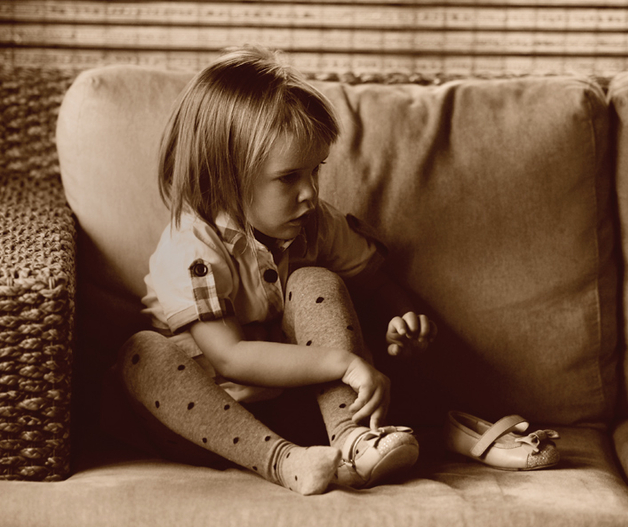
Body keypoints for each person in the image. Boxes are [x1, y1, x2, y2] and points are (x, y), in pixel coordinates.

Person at [109, 46, 437, 495]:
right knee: (140, 354)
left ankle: (351, 439)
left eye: (316, 171)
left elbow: (375, 281)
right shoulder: (191, 247)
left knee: (314, 280)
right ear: (224, 176)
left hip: (295, 412)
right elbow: (229, 357)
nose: (310, 193)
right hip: (204, 424)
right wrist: (344, 362)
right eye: (288, 178)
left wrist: (402, 318)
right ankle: (284, 463)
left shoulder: (315, 222)